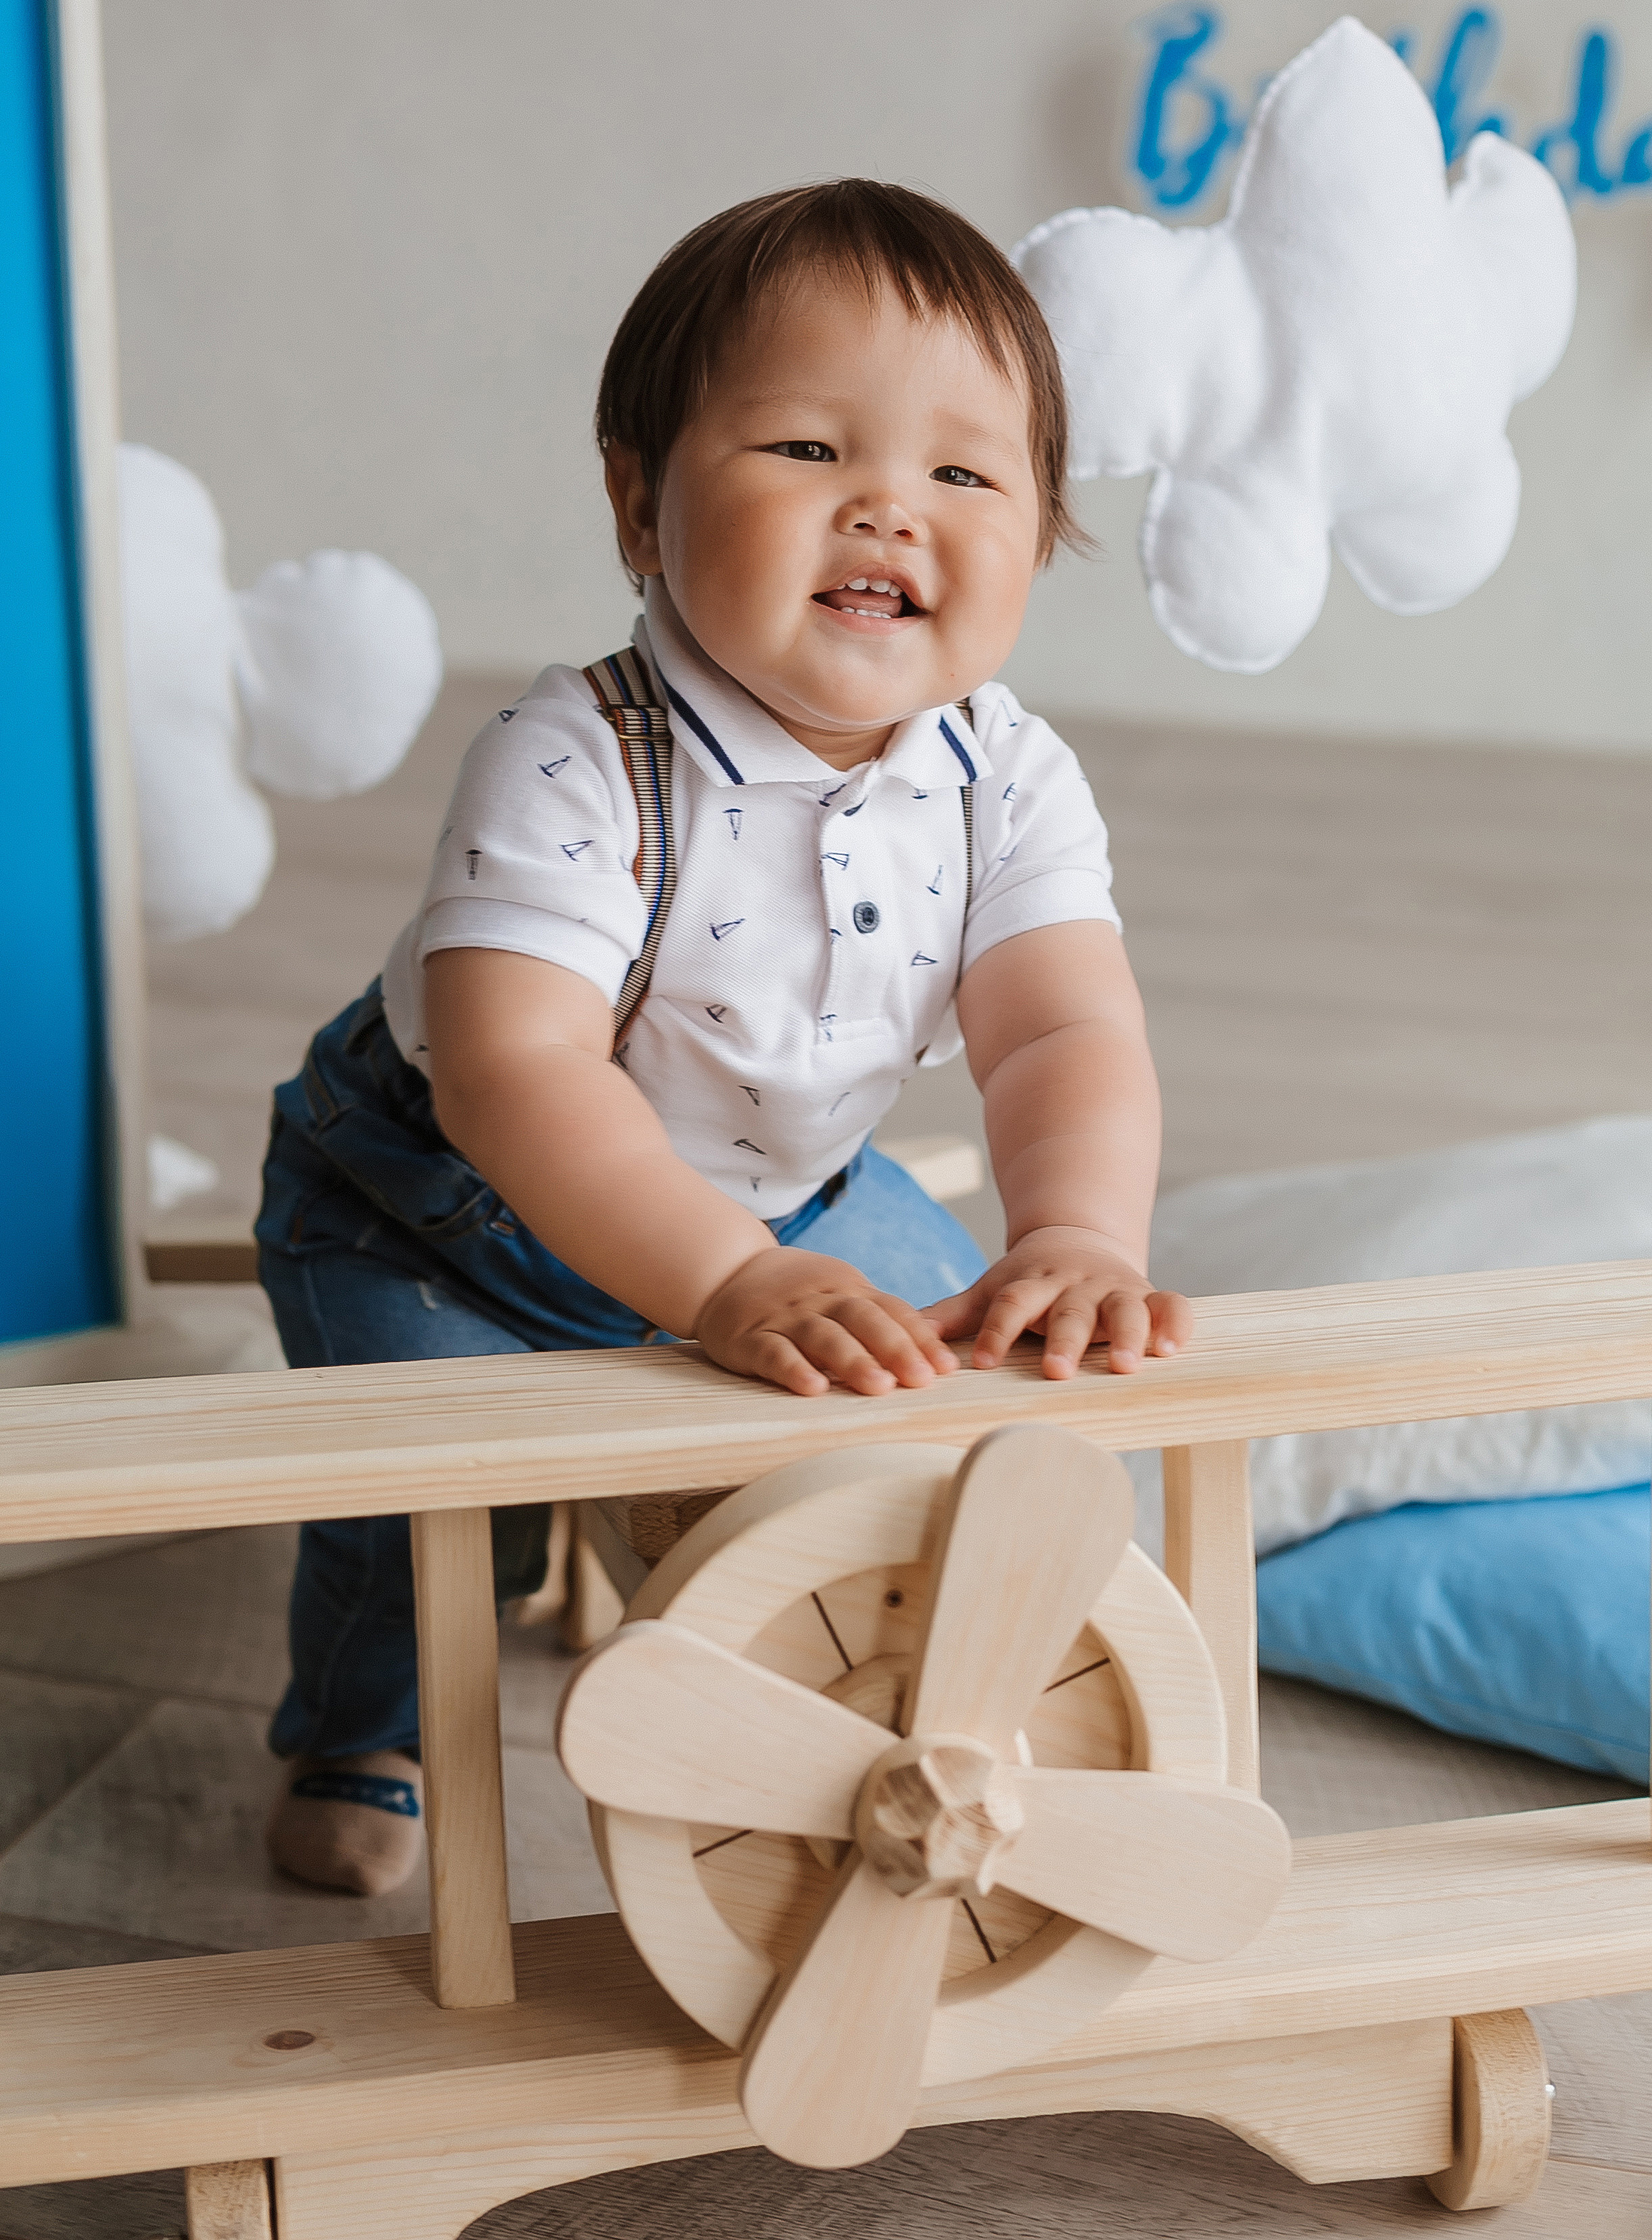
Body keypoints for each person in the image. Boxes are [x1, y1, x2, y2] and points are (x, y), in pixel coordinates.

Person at [256, 180, 1191, 1896]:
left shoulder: (1006, 777)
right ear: (638, 500)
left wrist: (1073, 1231)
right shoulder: (575, 757)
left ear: (1043, 527)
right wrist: (723, 1285)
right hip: (436, 1206)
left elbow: (1061, 1027)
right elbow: (515, 1072)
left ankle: (899, 1689)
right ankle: (353, 1729)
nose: (887, 514)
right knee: (424, 1508)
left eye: (963, 475)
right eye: (808, 452)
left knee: (970, 1404)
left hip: (787, 1198)